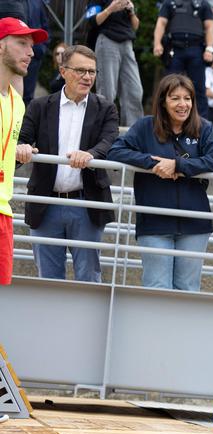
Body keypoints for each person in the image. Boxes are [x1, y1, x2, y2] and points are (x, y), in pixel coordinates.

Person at [107, 73, 213, 291]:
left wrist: (178, 166)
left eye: (187, 98)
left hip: (194, 224)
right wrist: (152, 163)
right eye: (175, 98)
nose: (183, 104)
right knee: (156, 287)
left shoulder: (203, 128)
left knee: (188, 289)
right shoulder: (144, 127)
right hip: (154, 224)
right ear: (162, 101)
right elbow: (115, 151)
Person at [15, 44, 118, 283]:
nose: (87, 77)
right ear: (63, 71)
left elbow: (109, 142)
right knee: (48, 281)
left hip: (87, 202)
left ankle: (87, 322)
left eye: (92, 71)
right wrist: (23, 148)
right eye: (80, 70)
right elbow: (20, 139)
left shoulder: (106, 108)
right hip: (45, 203)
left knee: (89, 279)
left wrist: (90, 154)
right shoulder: (39, 106)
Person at [0, 17, 47, 287]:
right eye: (21, 44)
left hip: (4, 210)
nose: (31, 52)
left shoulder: (17, 102)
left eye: (31, 46)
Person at [152, 0, 213, 117]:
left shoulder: (203, 4)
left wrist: (209, 49)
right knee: (170, 86)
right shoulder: (170, 3)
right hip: (175, 49)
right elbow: (161, 23)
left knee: (198, 88)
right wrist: (157, 44)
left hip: (196, 48)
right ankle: (165, 118)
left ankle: (201, 123)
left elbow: (209, 27)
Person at [89, 0, 143, 126]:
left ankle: (134, 131)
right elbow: (93, 21)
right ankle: (104, 129)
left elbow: (135, 26)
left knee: (135, 90)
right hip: (107, 40)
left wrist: (132, 11)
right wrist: (110, 9)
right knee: (107, 91)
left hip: (127, 44)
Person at [22, 0, 45, 105]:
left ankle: (25, 121)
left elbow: (44, 24)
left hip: (34, 56)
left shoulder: (37, 2)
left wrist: (41, 48)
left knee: (28, 96)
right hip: (13, 55)